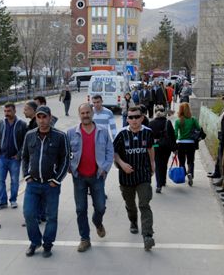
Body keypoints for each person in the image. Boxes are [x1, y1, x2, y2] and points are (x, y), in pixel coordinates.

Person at [22, 105, 69, 257]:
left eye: (44, 117)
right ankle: (35, 242)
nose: (42, 121)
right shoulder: (29, 135)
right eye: (39, 117)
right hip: (33, 183)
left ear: (50, 117)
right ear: (36, 118)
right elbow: (24, 157)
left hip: (51, 185)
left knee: (51, 217)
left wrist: (57, 179)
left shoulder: (60, 136)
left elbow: (65, 159)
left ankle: (48, 244)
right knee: (29, 214)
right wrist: (26, 175)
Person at [67, 103, 114, 252]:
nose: (85, 115)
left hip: (97, 176)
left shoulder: (103, 132)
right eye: (83, 113)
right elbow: (65, 152)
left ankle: (97, 222)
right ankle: (85, 239)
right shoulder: (71, 133)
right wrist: (69, 166)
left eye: (88, 112)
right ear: (79, 114)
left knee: (100, 207)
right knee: (81, 209)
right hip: (79, 177)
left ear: (92, 113)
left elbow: (110, 152)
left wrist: (105, 169)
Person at [113, 105, 156, 251]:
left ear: (142, 118)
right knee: (130, 205)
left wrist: (152, 164)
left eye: (137, 117)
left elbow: (150, 148)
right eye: (130, 117)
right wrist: (122, 164)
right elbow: (114, 152)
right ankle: (133, 221)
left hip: (143, 175)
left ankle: (148, 235)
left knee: (144, 204)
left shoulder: (148, 133)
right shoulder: (121, 134)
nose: (134, 120)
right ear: (127, 119)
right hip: (126, 177)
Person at [0, 102, 27, 209]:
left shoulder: (22, 124)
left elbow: (25, 142)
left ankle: (13, 200)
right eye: (5, 111)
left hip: (14, 159)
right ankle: (2, 201)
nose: (6, 113)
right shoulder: (0, 123)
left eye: (9, 111)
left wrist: (19, 155)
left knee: (14, 180)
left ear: (14, 111)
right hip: (2, 158)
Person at [149, 106, 176, 193]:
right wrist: (175, 148)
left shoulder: (151, 123)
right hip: (166, 146)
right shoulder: (168, 122)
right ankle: (163, 181)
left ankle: (158, 185)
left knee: (158, 164)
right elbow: (172, 136)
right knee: (164, 163)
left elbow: (149, 136)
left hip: (156, 146)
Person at [174, 102, 201, 187]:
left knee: (182, 161)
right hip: (191, 143)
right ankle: (190, 174)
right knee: (190, 160)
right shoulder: (193, 120)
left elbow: (175, 134)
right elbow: (199, 129)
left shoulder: (178, 121)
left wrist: (173, 144)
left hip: (181, 143)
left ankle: (184, 174)